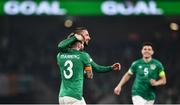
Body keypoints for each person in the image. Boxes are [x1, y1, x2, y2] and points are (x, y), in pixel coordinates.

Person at [57, 27, 121, 105]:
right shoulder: (83, 56)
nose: (89, 38)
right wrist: (84, 73)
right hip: (74, 97)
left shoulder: (60, 55)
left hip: (62, 97)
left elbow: (61, 46)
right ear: (79, 41)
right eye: (87, 35)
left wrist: (110, 67)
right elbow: (90, 75)